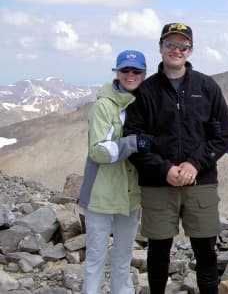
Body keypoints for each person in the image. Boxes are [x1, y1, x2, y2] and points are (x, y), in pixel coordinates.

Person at [123, 22, 228, 294]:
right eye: (170, 44)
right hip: (158, 185)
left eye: (182, 45)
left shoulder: (207, 87)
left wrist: (195, 163)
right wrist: (164, 169)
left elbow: (224, 135)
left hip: (201, 182)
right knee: (159, 251)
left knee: (206, 252)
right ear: (161, 47)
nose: (176, 49)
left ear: (190, 49)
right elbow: (134, 141)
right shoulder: (145, 91)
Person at [79, 50, 151, 294]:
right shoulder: (103, 106)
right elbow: (97, 151)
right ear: (117, 72)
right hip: (101, 194)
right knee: (96, 258)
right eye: (125, 70)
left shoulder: (144, 104)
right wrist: (133, 143)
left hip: (130, 195)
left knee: (123, 257)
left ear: (144, 74)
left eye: (136, 71)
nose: (130, 75)